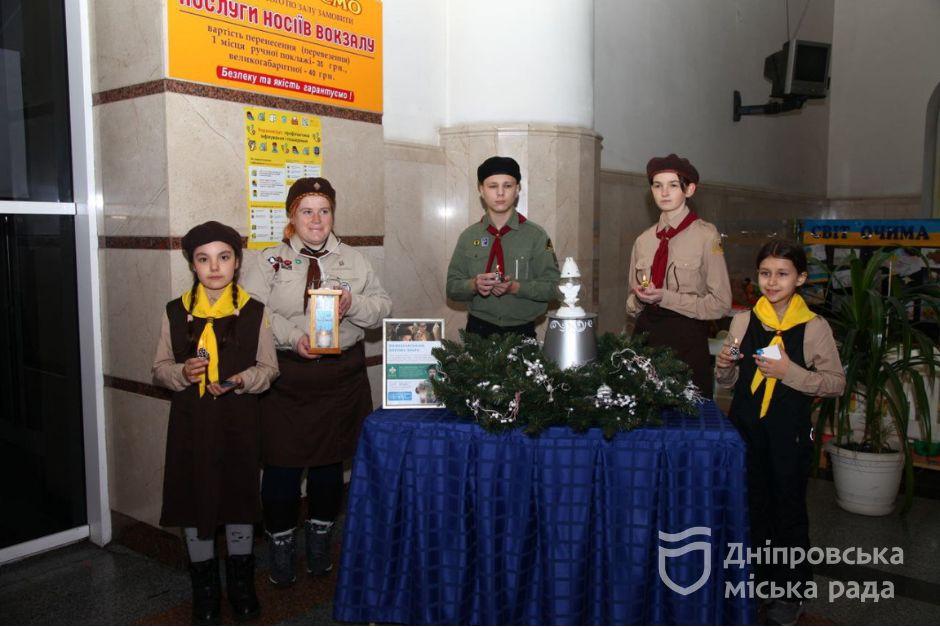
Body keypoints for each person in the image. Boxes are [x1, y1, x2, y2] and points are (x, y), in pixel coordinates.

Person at [241, 177, 392, 588]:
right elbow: (253, 313)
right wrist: (294, 338)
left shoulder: (355, 260)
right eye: (306, 211)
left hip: (341, 377)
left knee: (330, 463)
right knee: (282, 467)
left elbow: (382, 307)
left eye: (324, 211)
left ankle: (321, 538)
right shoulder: (268, 260)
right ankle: (281, 542)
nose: (316, 219)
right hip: (287, 377)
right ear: (291, 216)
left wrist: (353, 303)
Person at [152, 221, 278, 624]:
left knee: (238, 496)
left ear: (236, 262)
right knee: (194, 498)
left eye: (223, 257)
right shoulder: (175, 311)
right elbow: (159, 367)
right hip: (191, 423)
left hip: (238, 420)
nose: (214, 267)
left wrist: (242, 380)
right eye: (203, 259)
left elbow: (269, 369)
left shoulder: (254, 310)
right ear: (192, 264)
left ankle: (241, 583)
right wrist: (181, 372)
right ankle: (204, 588)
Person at [715, 239, 845, 625]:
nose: (772, 282)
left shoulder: (813, 327)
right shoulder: (743, 321)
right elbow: (729, 381)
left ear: (800, 278)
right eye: (765, 273)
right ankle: (753, 585)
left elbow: (836, 383)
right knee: (750, 507)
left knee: (787, 510)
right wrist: (724, 366)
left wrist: (791, 373)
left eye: (782, 274)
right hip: (746, 429)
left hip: (789, 432)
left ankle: (789, 592)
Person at [626, 153, 732, 396]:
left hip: (686, 339)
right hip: (646, 338)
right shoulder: (644, 240)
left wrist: (666, 298)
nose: (664, 193)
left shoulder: (706, 236)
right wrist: (639, 299)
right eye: (657, 186)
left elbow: (721, 304)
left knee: (688, 414)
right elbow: (630, 302)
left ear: (689, 189)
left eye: (673, 185)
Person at [446, 156, 560, 338]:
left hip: (521, 331)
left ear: (517, 189)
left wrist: (516, 287)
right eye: (492, 186)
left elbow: (555, 287)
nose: (500, 193)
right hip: (478, 330)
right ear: (481, 190)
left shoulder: (537, 236)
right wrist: (474, 285)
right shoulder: (469, 237)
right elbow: (452, 287)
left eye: (507, 186)